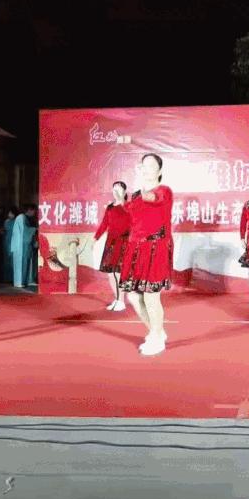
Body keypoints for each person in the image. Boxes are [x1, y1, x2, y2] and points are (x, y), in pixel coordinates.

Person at [118, 153, 174, 356]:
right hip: (136, 249)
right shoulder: (135, 195)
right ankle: (156, 331)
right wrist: (120, 199)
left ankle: (157, 340)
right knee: (133, 296)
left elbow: (151, 198)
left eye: (151, 165)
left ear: (160, 170)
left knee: (151, 296)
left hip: (156, 247)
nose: (147, 168)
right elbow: (130, 213)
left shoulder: (164, 191)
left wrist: (142, 187)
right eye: (144, 165)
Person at [94, 182, 132, 311]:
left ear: (124, 191)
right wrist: (95, 238)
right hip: (111, 243)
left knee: (119, 273)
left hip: (124, 242)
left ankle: (121, 301)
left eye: (119, 189)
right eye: (114, 189)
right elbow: (104, 224)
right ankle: (117, 299)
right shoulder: (110, 207)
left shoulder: (129, 206)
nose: (115, 191)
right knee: (111, 273)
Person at [10, 204, 38, 288]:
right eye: (34, 211)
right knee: (21, 263)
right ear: (29, 210)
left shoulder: (27, 218)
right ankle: (19, 282)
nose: (34, 213)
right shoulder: (21, 218)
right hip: (20, 245)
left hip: (26, 244)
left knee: (28, 262)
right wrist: (35, 229)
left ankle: (28, 280)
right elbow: (25, 231)